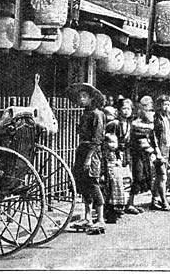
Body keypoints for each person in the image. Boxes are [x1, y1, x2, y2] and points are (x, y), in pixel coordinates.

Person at [68, 83, 107, 232]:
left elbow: (97, 139)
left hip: (93, 151)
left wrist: (89, 158)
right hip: (82, 149)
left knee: (93, 183)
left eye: (84, 96)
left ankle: (101, 219)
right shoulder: (85, 114)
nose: (81, 99)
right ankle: (87, 217)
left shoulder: (98, 114)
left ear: (92, 98)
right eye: (79, 97)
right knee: (83, 184)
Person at [125, 96, 155, 214]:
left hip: (143, 152)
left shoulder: (147, 117)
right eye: (147, 105)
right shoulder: (136, 119)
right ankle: (129, 203)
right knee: (137, 177)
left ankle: (132, 203)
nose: (150, 107)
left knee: (143, 177)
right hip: (135, 152)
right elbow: (136, 127)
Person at [101, 108, 126, 224]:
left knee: (115, 191)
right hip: (109, 174)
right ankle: (110, 213)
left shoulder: (113, 125)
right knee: (109, 192)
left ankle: (115, 213)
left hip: (114, 174)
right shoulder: (105, 153)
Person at [151, 95, 170, 211]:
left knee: (159, 177)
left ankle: (154, 201)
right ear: (159, 106)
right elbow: (154, 136)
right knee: (162, 177)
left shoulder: (167, 118)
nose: (165, 107)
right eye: (163, 104)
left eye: (168, 105)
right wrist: (157, 151)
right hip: (159, 150)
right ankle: (164, 203)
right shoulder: (157, 118)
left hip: (166, 149)